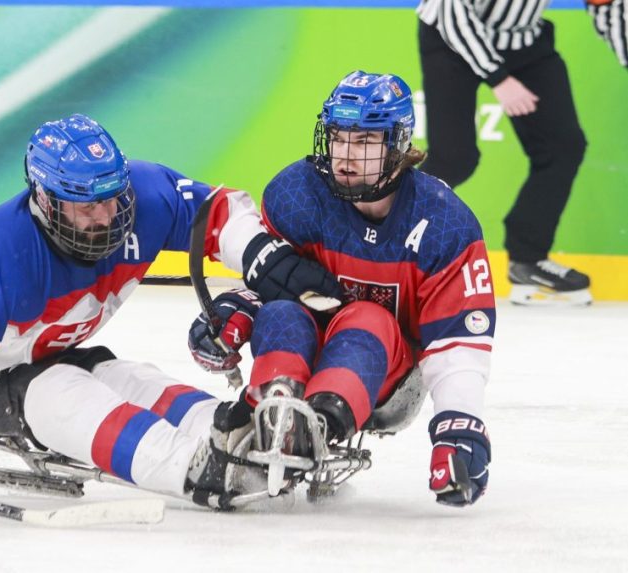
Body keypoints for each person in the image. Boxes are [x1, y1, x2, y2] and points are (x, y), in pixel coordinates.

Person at [0, 113, 345, 519]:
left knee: (132, 380)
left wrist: (260, 254)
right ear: (45, 200)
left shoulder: (138, 197)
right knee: (58, 394)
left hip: (45, 350)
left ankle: (241, 433)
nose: (107, 217)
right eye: (87, 206)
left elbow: (217, 210)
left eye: (112, 198)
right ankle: (196, 467)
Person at [189, 71, 495, 507]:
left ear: (399, 146)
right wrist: (236, 310)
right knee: (281, 313)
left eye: (366, 141)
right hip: (306, 346)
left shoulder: (445, 222)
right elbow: (271, 288)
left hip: (389, 379)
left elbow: (457, 341)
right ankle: (271, 410)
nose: (346, 156)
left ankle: (317, 426)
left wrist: (459, 426)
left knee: (365, 316)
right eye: (339, 137)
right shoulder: (296, 194)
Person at [416, 0, 627, 306]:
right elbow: (453, 13)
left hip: (523, 41)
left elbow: (609, 6)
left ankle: (528, 261)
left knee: (562, 146)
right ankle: (385, 248)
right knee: (454, 158)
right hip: (452, 40)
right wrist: (498, 78)